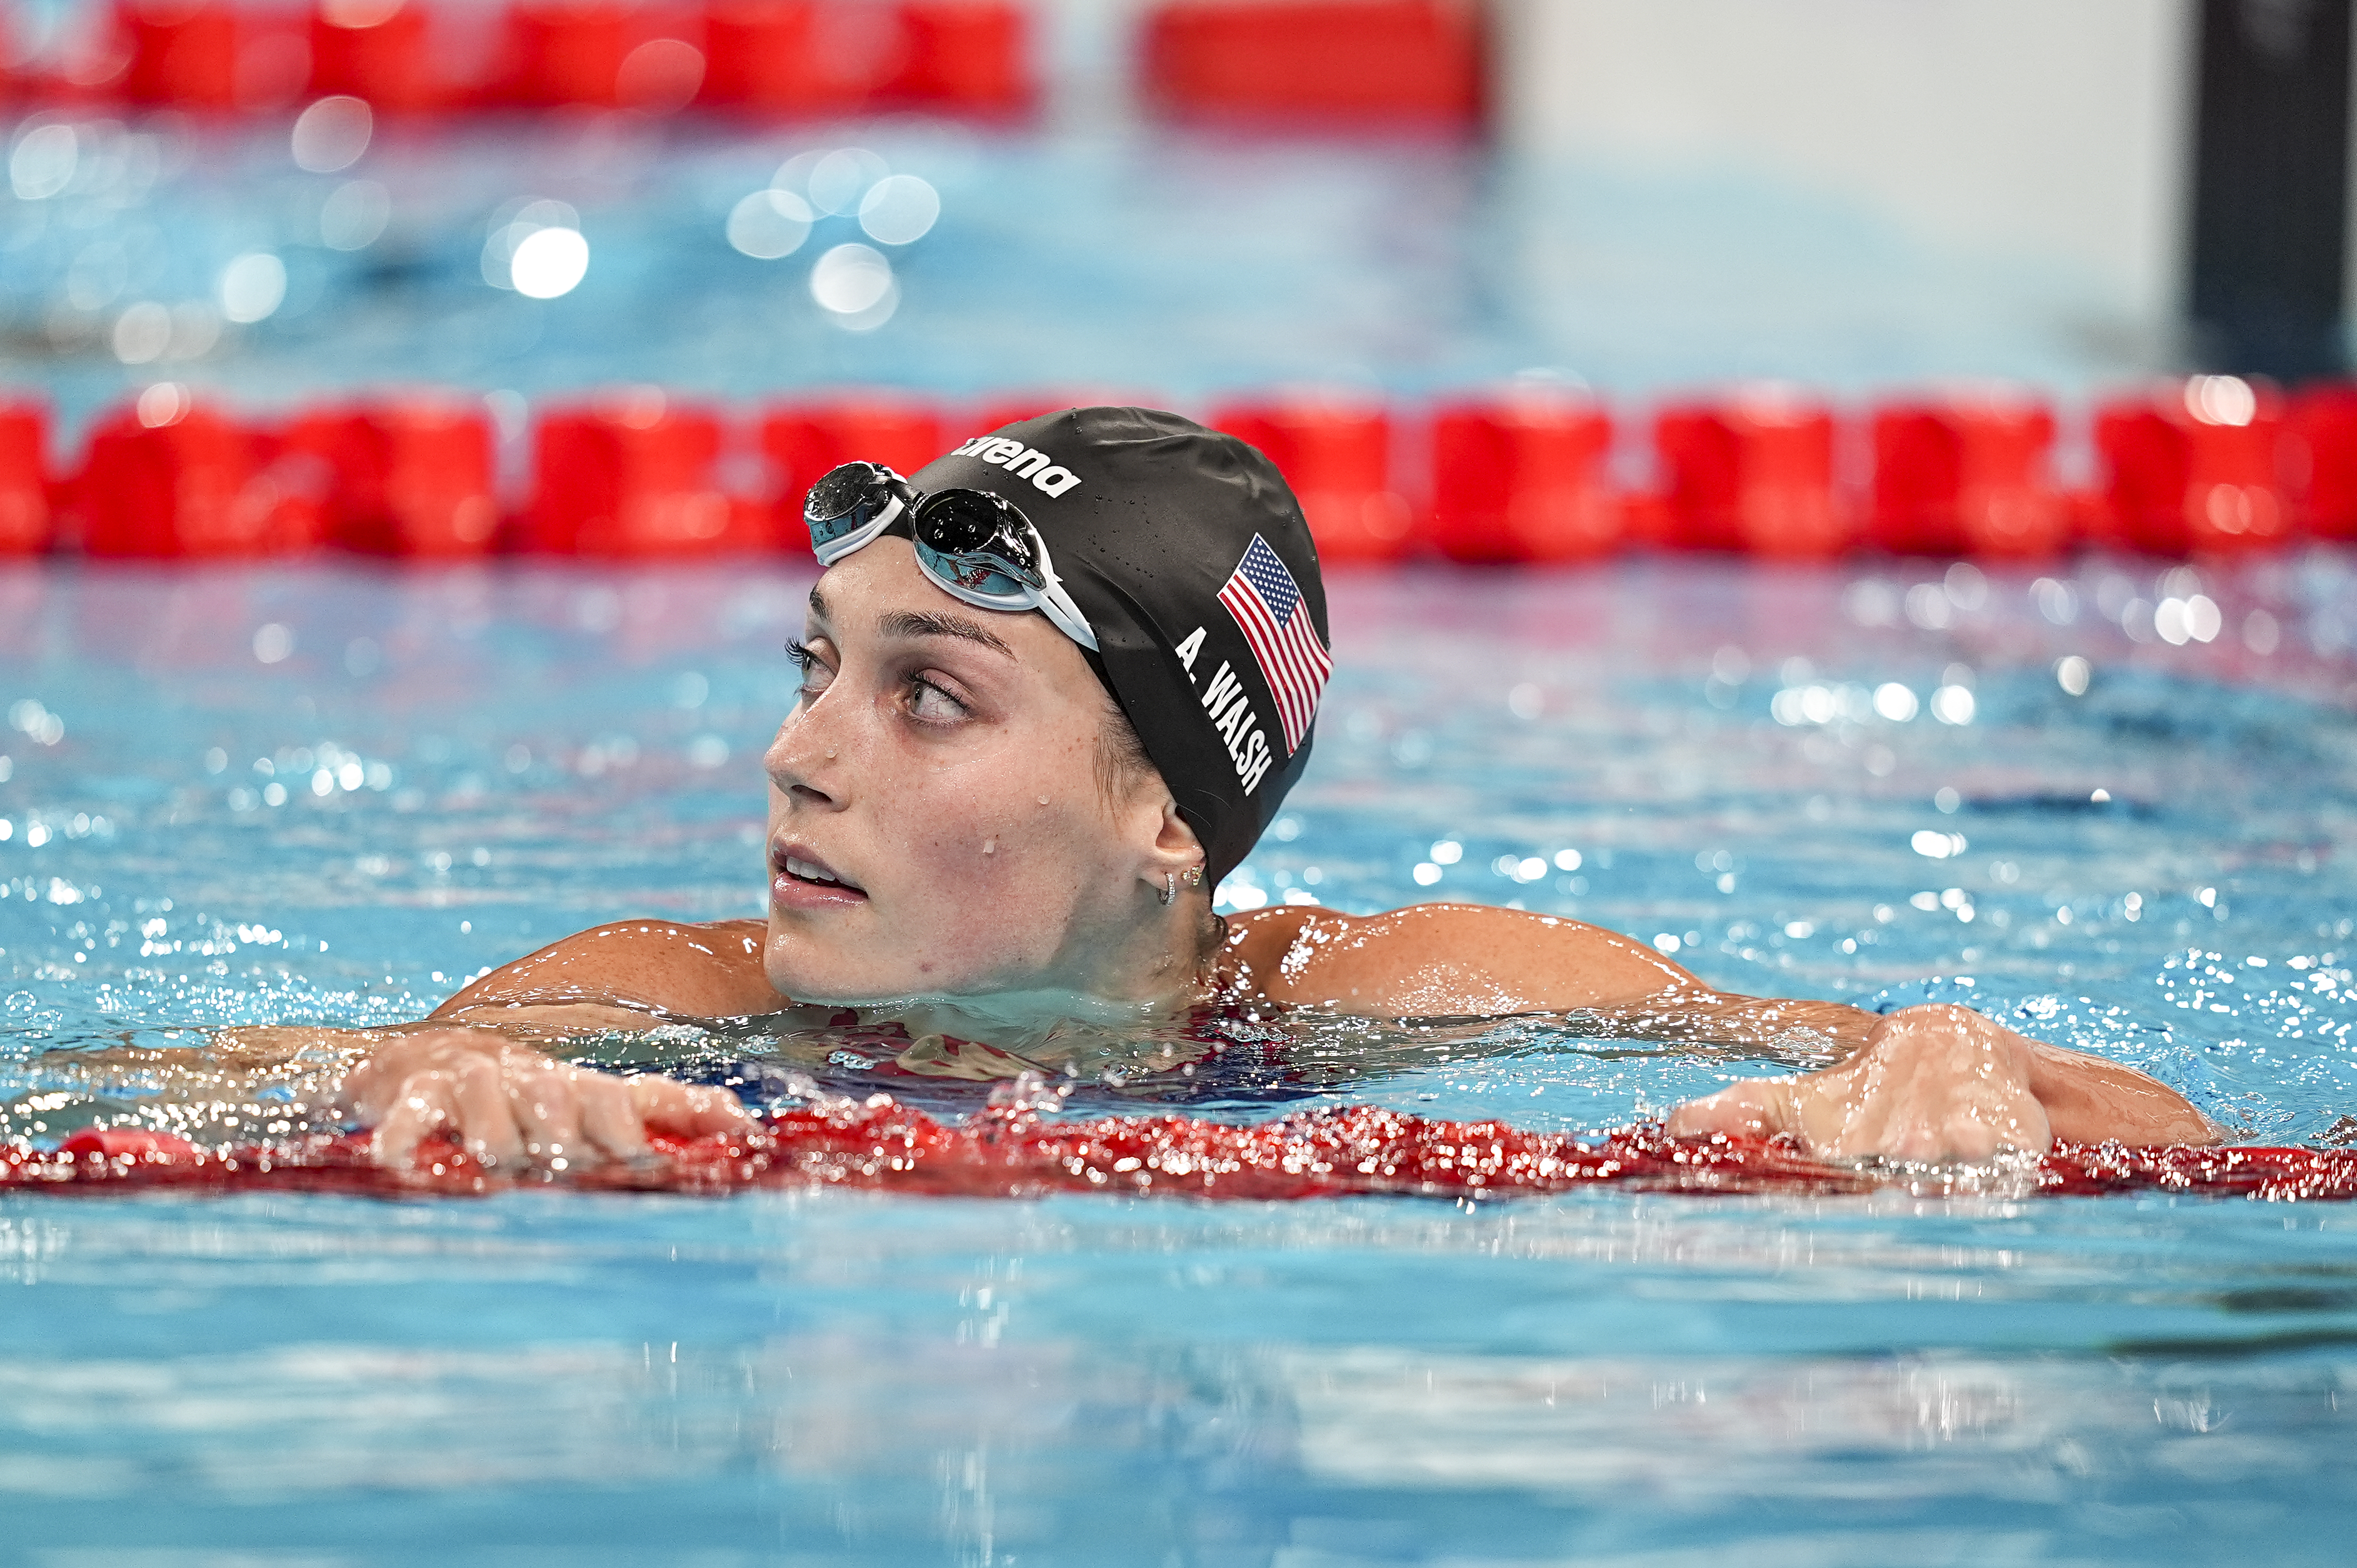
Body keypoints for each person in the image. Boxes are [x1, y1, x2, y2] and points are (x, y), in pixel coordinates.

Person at [331, 408, 2219, 1175]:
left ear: (1171, 813)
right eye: (818, 664)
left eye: (929, 695)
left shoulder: (1402, 999)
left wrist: (1971, 1069)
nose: (797, 752)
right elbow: (158, 1090)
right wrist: (406, 1081)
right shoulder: (665, 1001)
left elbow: (2172, 1133)